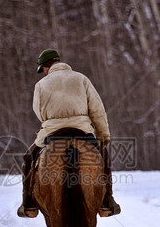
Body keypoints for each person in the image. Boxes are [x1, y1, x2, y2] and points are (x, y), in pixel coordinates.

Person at [17, 48, 121, 218]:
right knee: (103, 157)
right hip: (83, 131)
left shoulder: (41, 85)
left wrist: (51, 121)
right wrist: (103, 136)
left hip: (52, 132)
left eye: (42, 70)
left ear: (45, 67)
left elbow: (39, 111)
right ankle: (107, 201)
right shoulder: (81, 79)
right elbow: (97, 110)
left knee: (28, 158)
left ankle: (28, 203)